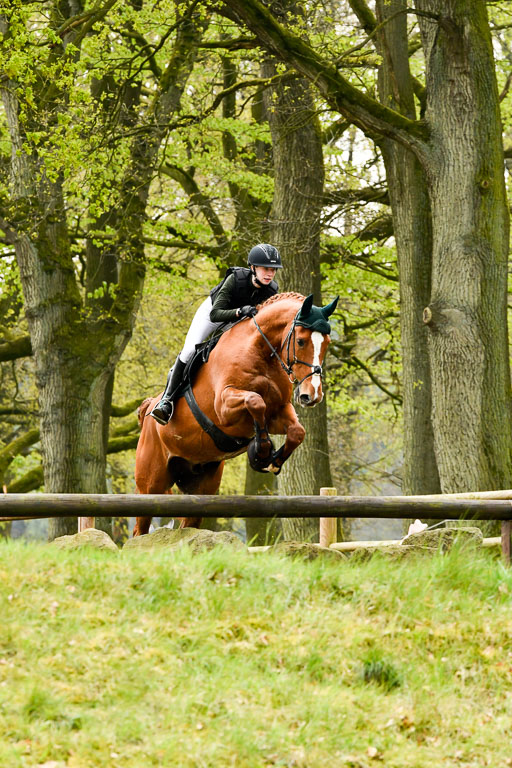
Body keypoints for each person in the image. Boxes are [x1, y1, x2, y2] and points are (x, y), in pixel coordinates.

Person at [150, 243, 283, 425]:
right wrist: (239, 312)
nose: (270, 274)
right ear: (253, 268)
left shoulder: (271, 291)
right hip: (213, 314)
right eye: (266, 269)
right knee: (189, 350)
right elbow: (216, 313)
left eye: (273, 270)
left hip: (237, 322)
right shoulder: (236, 279)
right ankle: (167, 401)